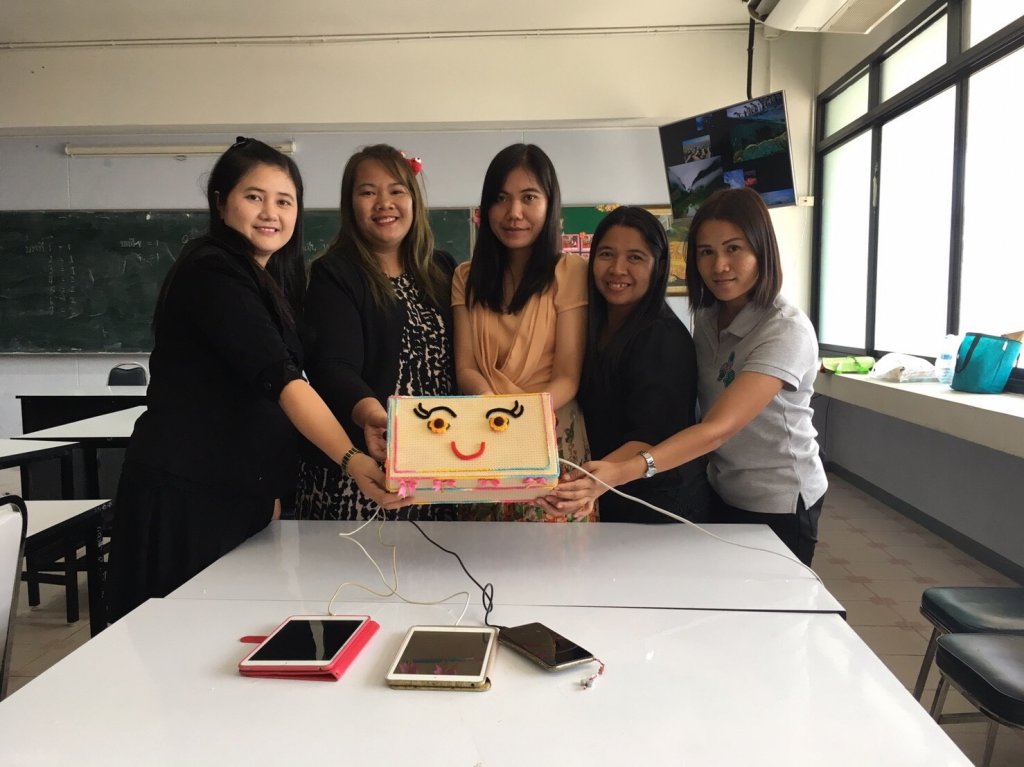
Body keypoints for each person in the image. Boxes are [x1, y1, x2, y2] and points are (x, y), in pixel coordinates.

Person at [107, 138, 404, 622]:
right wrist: (352, 460)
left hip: (233, 495)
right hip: (185, 501)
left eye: (284, 201)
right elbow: (283, 382)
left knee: (230, 639)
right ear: (221, 202)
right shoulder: (212, 270)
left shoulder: (269, 280)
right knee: (178, 639)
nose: (271, 213)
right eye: (254, 197)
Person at [553, 188, 826, 563]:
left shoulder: (785, 330)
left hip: (777, 496)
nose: (719, 265)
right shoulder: (710, 317)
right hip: (719, 485)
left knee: (771, 596)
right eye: (706, 252)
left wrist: (618, 472)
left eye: (734, 248)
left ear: (762, 249)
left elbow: (717, 428)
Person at [298, 144, 458, 521]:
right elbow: (331, 366)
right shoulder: (335, 273)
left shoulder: (442, 270)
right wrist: (372, 415)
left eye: (396, 190)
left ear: (413, 199)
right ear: (351, 205)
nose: (384, 203)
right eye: (368, 192)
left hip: (439, 464)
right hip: (365, 468)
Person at [452, 143, 593, 522]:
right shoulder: (465, 276)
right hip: (484, 432)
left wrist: (519, 420)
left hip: (551, 433)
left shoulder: (571, 272)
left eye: (529, 197)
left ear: (550, 204)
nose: (514, 213)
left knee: (556, 551)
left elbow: (568, 377)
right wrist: (494, 412)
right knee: (481, 550)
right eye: (501, 199)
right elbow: (466, 367)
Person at [554, 206, 710, 523]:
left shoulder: (662, 337)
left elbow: (651, 435)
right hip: (608, 492)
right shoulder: (593, 325)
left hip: (656, 507)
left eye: (635, 257)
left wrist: (581, 482)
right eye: (606, 254)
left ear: (659, 266)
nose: (617, 269)